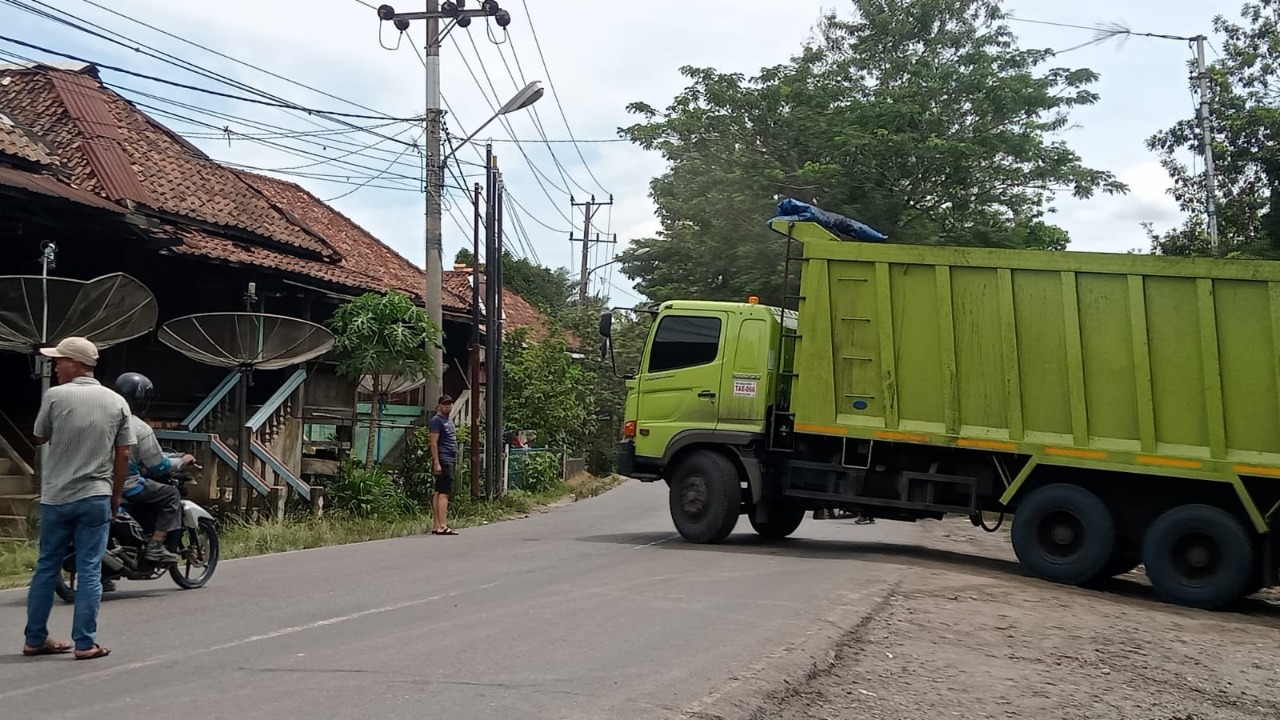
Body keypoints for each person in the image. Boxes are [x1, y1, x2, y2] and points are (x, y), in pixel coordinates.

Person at [22, 336, 133, 661]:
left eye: (60, 361)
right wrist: (115, 497)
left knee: (46, 567)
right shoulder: (116, 402)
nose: (55, 367)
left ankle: (35, 638)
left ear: (77, 364)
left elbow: (41, 435)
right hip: (95, 496)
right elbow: (123, 453)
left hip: (56, 497)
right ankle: (85, 643)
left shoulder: (54, 397)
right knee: (88, 569)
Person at [114, 372, 195, 565]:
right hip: (127, 485)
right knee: (170, 495)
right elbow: (158, 466)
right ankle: (156, 546)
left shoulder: (103, 417)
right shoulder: (140, 428)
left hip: (96, 481)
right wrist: (183, 461)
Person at [428, 394, 458, 536]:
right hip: (444, 459)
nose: (448, 406)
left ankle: (436, 525)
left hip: (449, 459)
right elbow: (433, 442)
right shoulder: (437, 421)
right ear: (439, 406)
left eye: (449, 404)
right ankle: (442, 525)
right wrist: (436, 462)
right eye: (445, 404)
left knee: (439, 491)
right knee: (444, 493)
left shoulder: (448, 421)